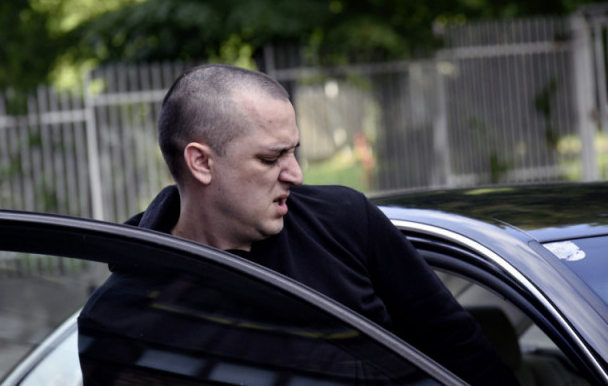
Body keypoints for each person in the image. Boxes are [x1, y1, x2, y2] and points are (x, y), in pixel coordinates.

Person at [79, 64, 519, 385]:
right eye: (271, 158)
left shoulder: (343, 223)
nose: (296, 174)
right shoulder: (121, 314)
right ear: (201, 163)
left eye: (293, 151)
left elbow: (459, 350)